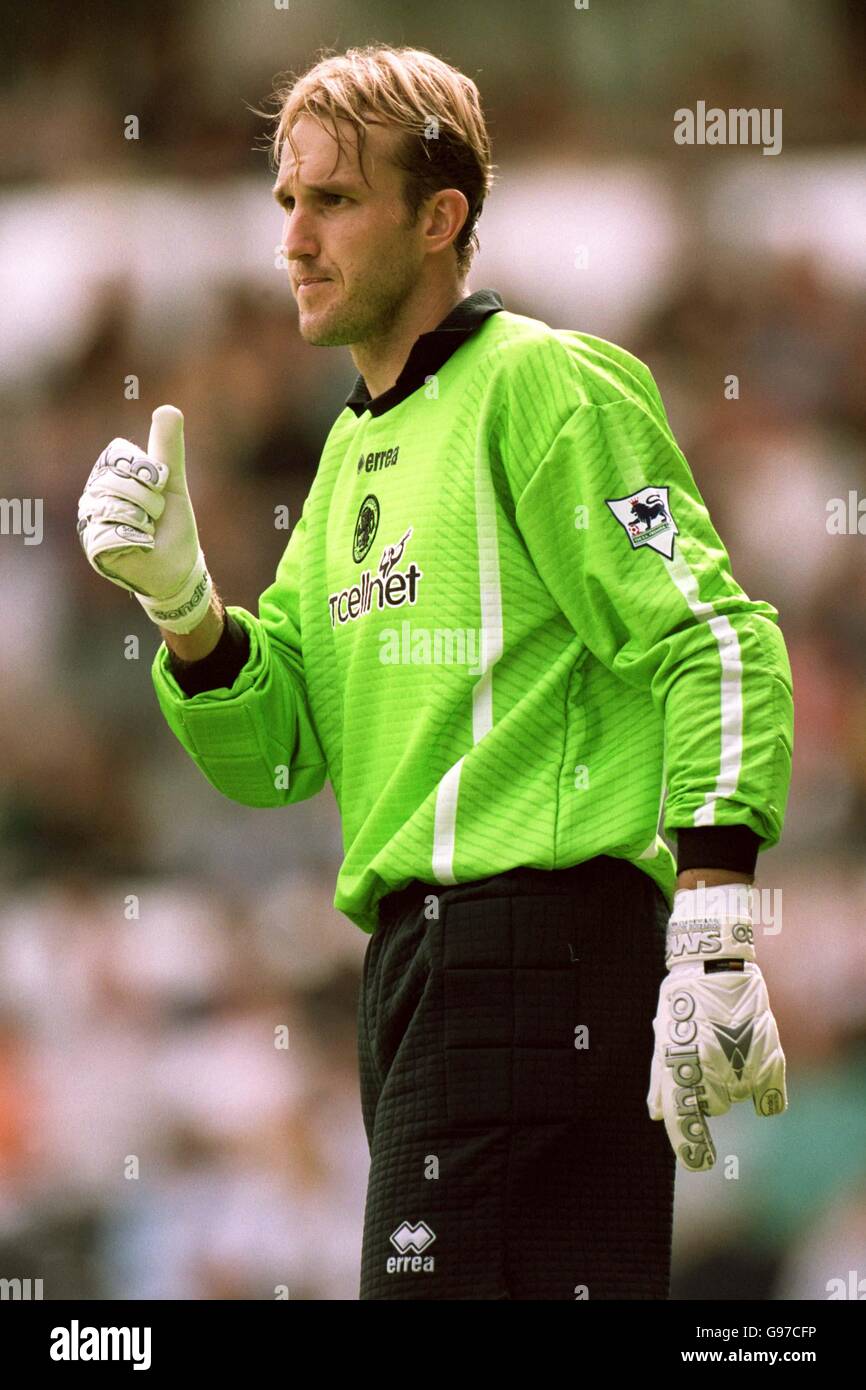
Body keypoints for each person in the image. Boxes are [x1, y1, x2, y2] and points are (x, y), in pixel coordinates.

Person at [76, 44, 793, 1300]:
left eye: (334, 201)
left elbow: (714, 637)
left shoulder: (537, 381)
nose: (293, 238)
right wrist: (188, 611)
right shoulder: (353, 454)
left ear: (439, 216)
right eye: (286, 202)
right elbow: (282, 748)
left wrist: (718, 921)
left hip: (527, 946)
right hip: (432, 971)